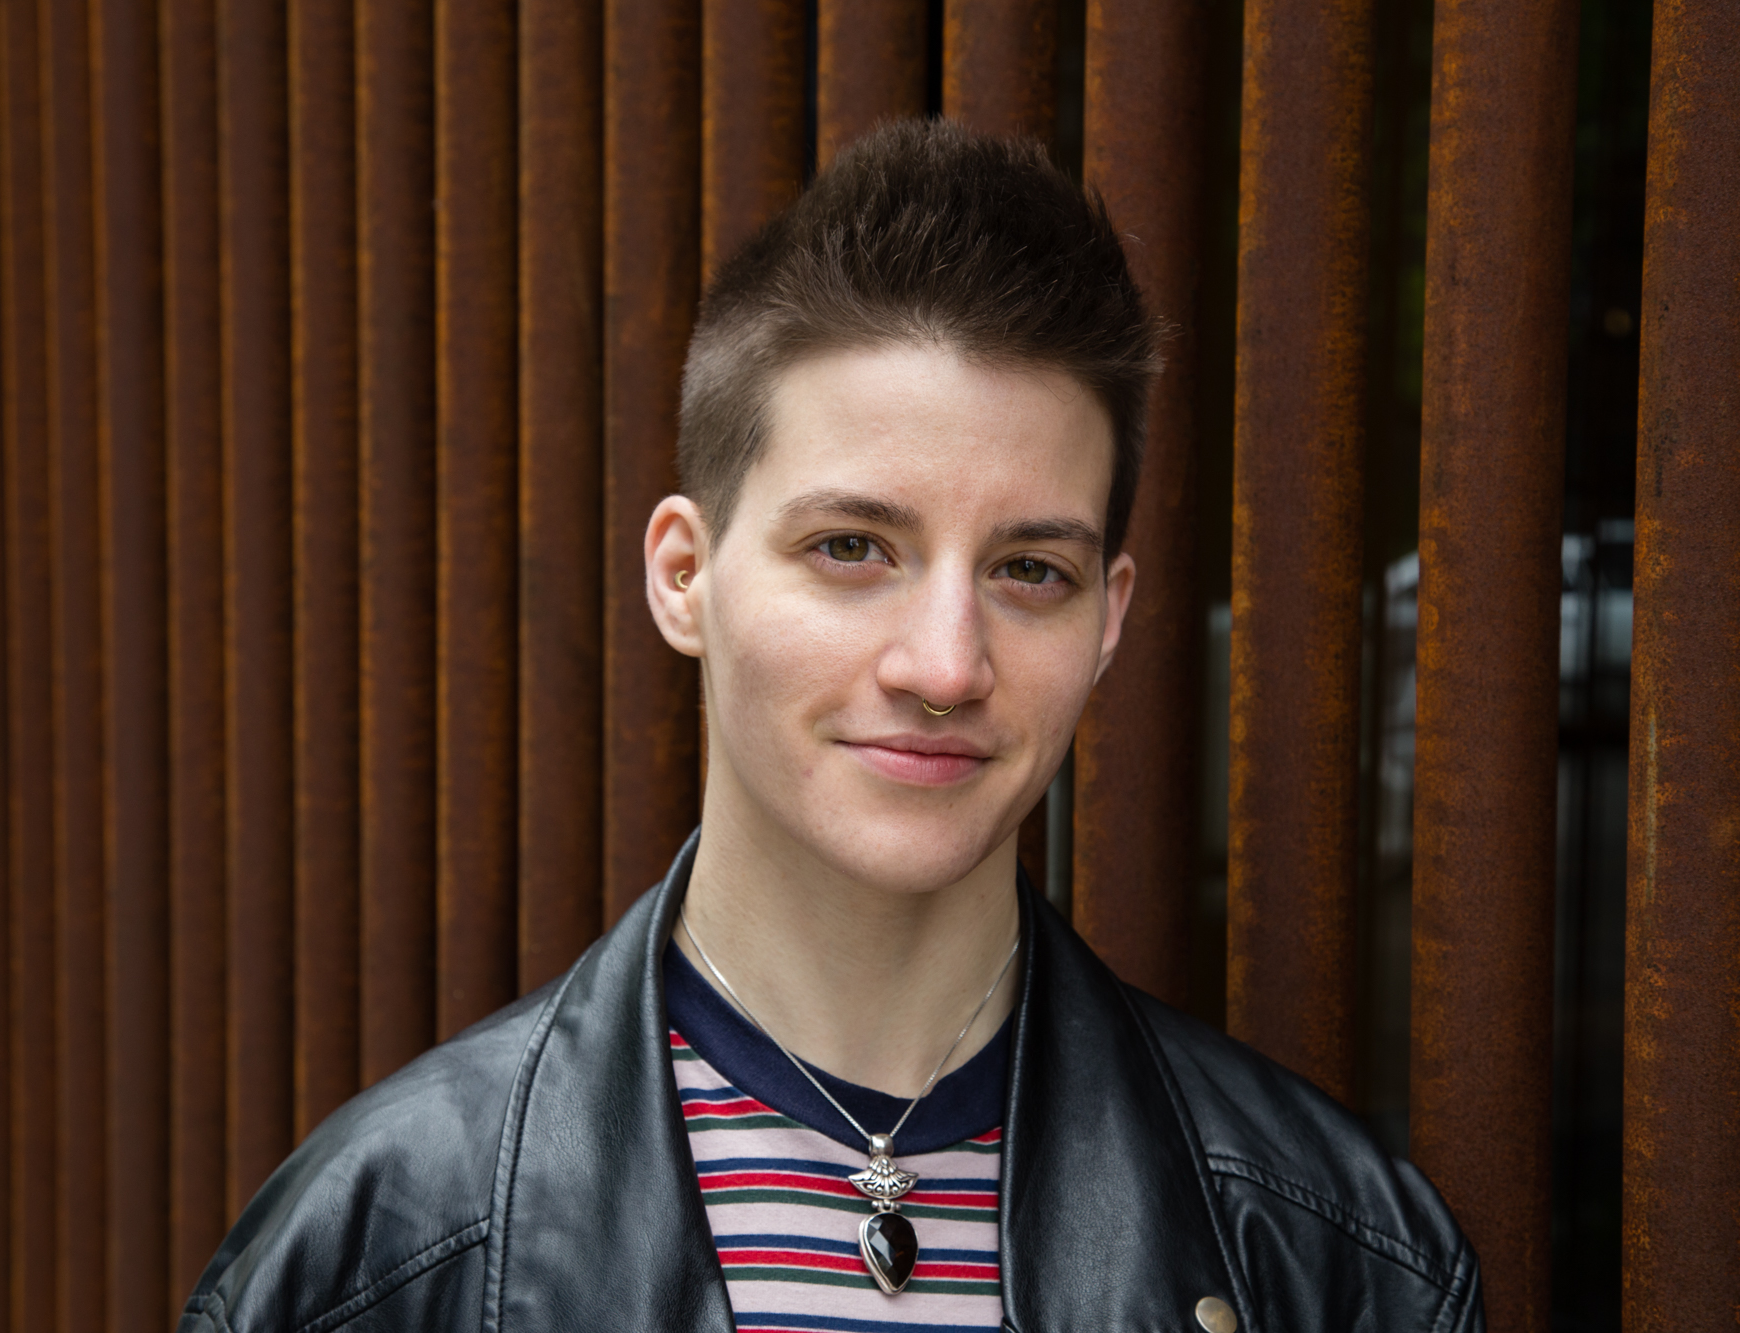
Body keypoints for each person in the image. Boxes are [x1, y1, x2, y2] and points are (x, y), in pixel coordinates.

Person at [178, 120, 1481, 1333]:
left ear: (1109, 620)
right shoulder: (375, 1257)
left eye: (1031, 569)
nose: (946, 662)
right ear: (685, 575)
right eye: (853, 545)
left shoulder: (1344, 1260)